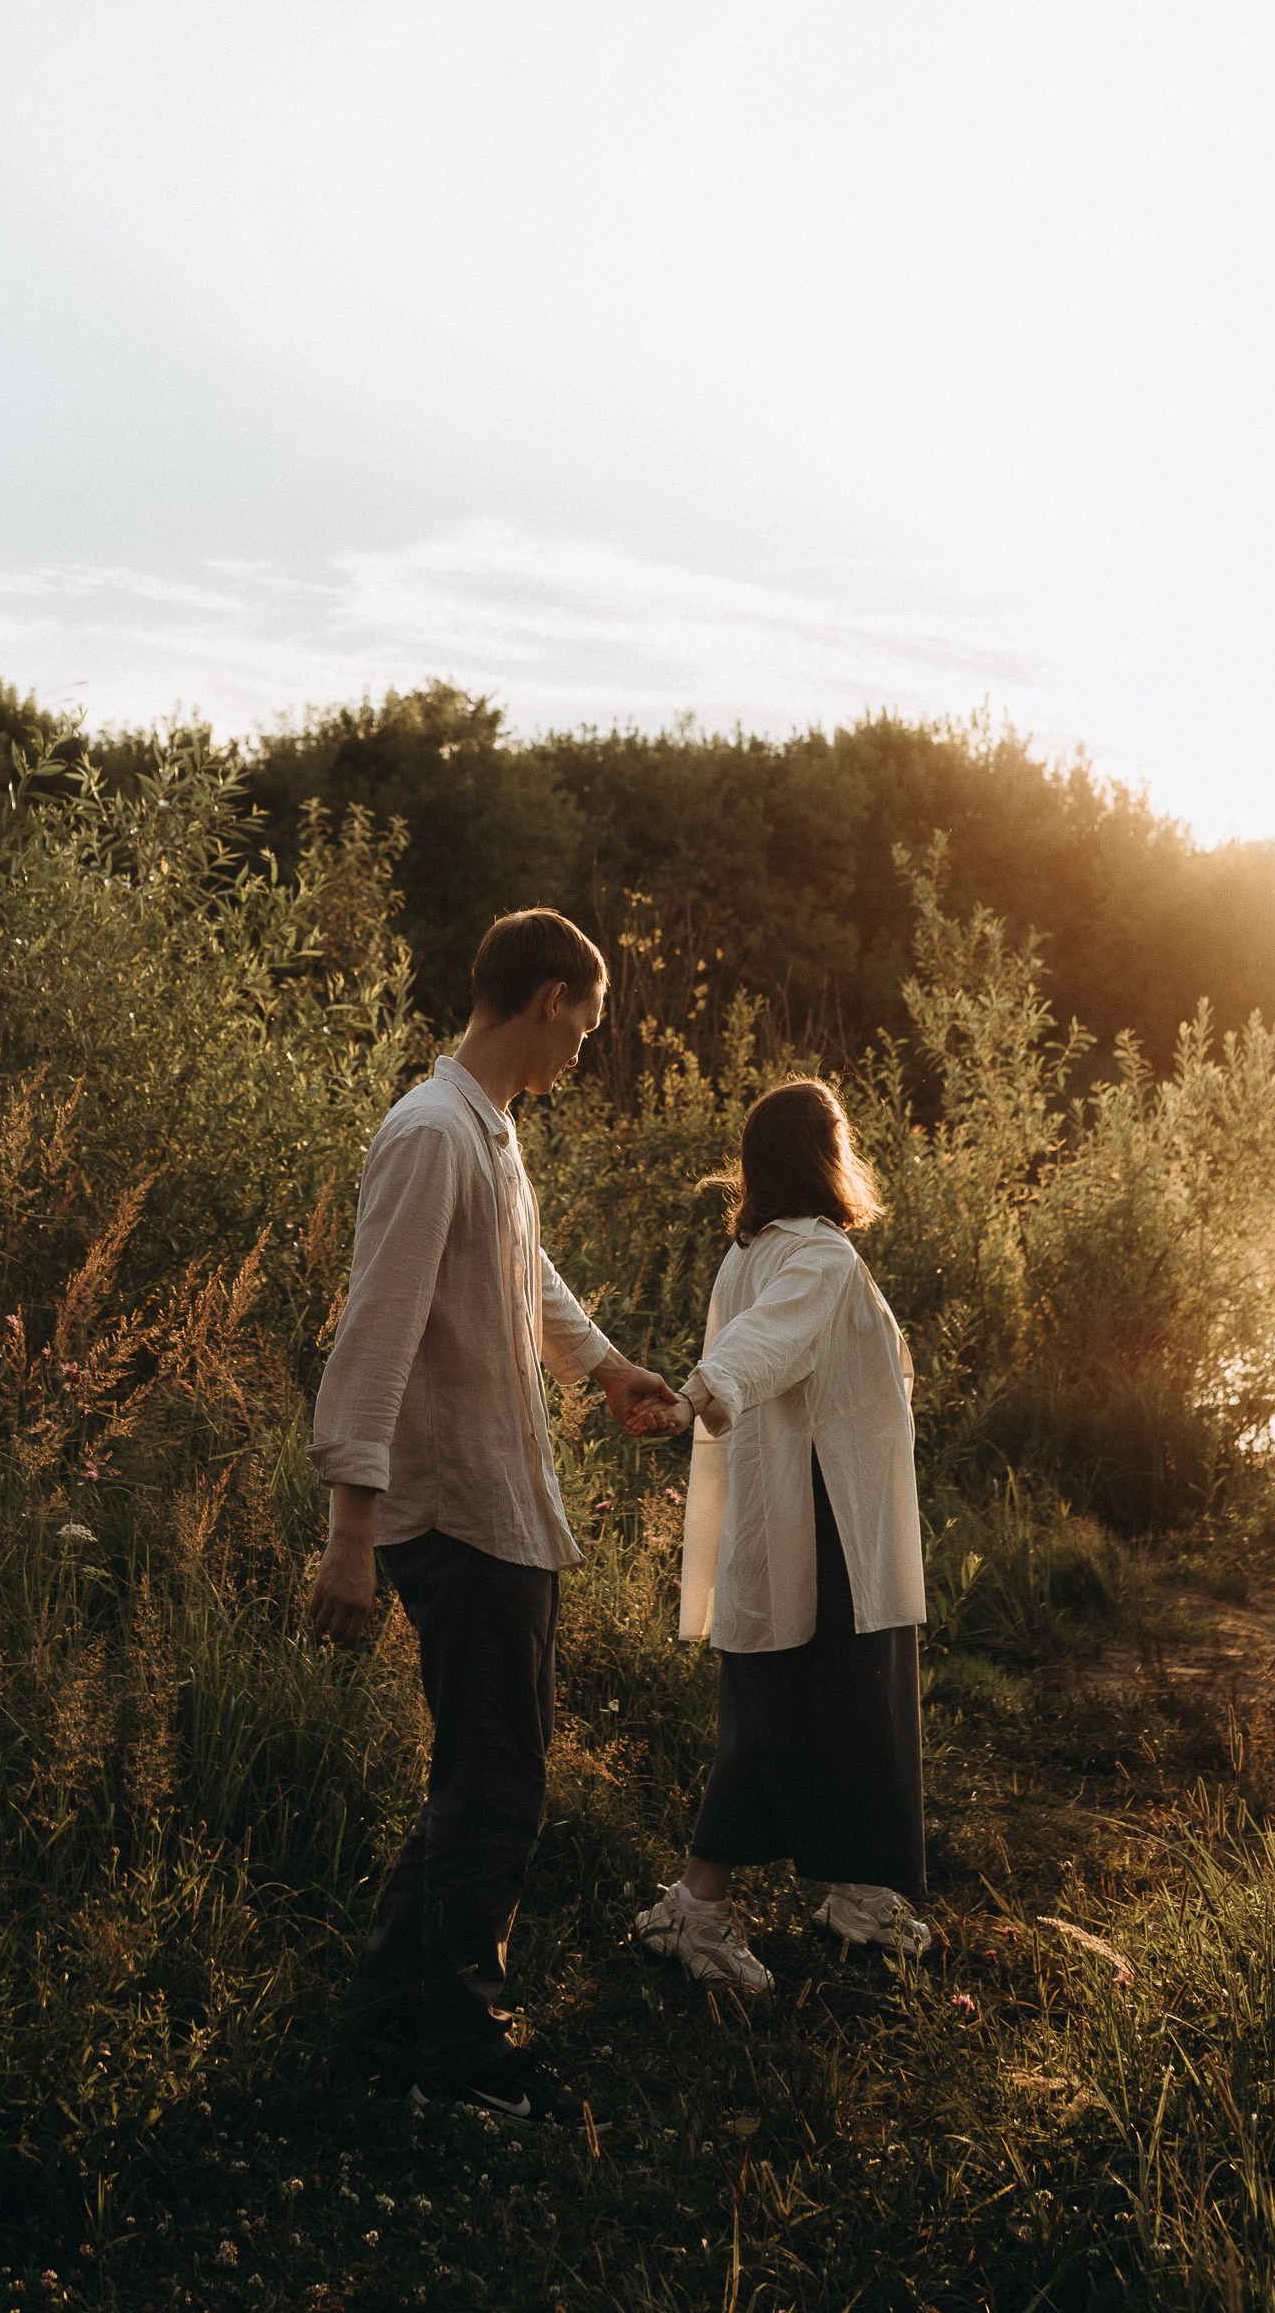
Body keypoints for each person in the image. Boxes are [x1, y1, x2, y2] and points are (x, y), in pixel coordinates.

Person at [306, 907, 673, 2124]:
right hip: (452, 1511)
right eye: (588, 1023)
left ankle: (386, 2025)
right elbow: (376, 1330)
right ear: (550, 999)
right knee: (495, 1787)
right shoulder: (427, 1135)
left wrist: (605, 1365)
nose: (586, 1050)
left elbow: (524, 1274)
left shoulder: (488, 1132)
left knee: (482, 1780)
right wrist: (348, 1534)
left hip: (500, 1505)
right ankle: (449, 2055)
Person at [623, 1077, 930, 1992]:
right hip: (828, 1526)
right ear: (824, 1155)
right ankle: (696, 1908)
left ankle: (856, 1892)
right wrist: (696, 1396)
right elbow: (769, 1341)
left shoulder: (753, 1252)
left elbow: (774, 1341)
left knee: (822, 1706)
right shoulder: (820, 1257)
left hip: (803, 1515)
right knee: (794, 1713)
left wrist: (701, 1394)